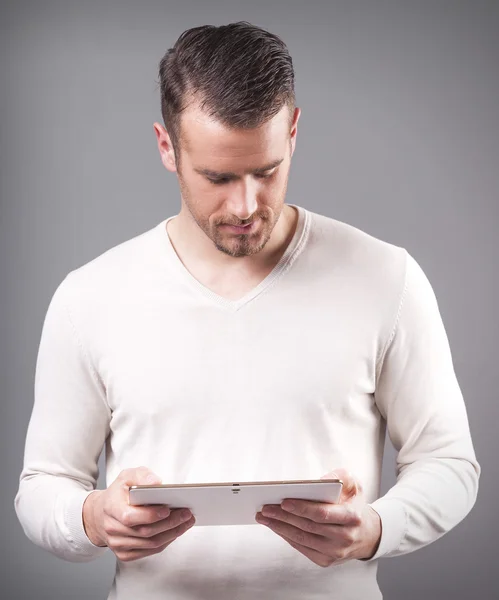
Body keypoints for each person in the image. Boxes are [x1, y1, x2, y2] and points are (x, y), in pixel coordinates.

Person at [14, 21, 480, 600]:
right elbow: (41, 489)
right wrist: (92, 517)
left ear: (294, 131)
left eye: (266, 171)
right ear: (167, 147)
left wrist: (377, 530)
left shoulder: (387, 278)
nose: (245, 204)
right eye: (218, 177)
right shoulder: (89, 298)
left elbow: (452, 466)